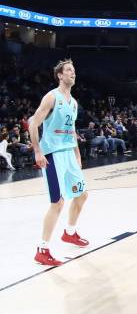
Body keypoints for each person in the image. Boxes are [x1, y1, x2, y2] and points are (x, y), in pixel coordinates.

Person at [28, 59, 90, 266]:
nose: (73, 73)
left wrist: (78, 155)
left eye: (74, 70)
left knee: (82, 195)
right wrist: (37, 151)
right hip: (53, 154)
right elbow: (32, 123)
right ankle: (42, 249)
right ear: (60, 75)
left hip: (69, 154)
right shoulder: (51, 97)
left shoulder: (73, 102)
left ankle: (69, 233)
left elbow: (71, 131)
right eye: (69, 70)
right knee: (58, 203)